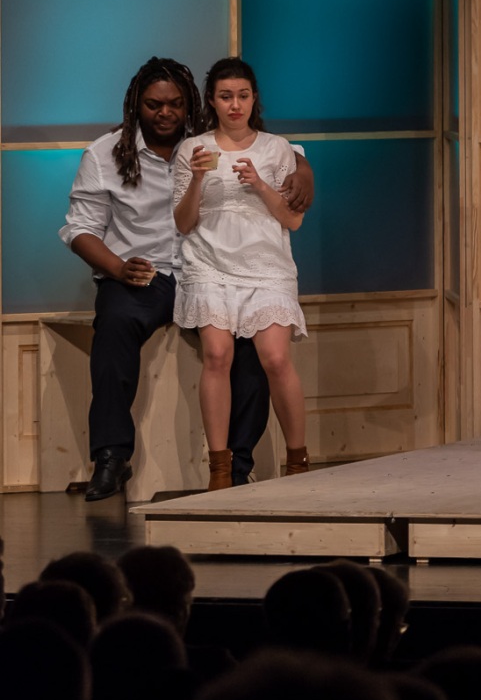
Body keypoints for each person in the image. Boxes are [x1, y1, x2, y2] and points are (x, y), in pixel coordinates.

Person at [60, 56, 313, 499]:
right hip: (147, 273)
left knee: (254, 349)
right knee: (115, 324)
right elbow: (78, 228)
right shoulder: (105, 154)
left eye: (175, 104)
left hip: (209, 267)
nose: (166, 113)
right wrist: (117, 267)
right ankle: (112, 456)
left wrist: (303, 167)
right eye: (154, 105)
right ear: (136, 105)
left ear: (192, 103)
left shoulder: (204, 135)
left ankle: (237, 464)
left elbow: (268, 146)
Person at [173, 57, 311, 491]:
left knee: (276, 359)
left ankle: (298, 462)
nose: (235, 105)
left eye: (243, 96)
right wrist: (198, 179)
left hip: (266, 265)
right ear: (212, 101)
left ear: (254, 99)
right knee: (217, 355)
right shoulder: (192, 148)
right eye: (226, 96)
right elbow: (183, 223)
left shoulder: (277, 148)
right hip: (209, 263)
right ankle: (219, 469)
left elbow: (293, 221)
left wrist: (260, 184)